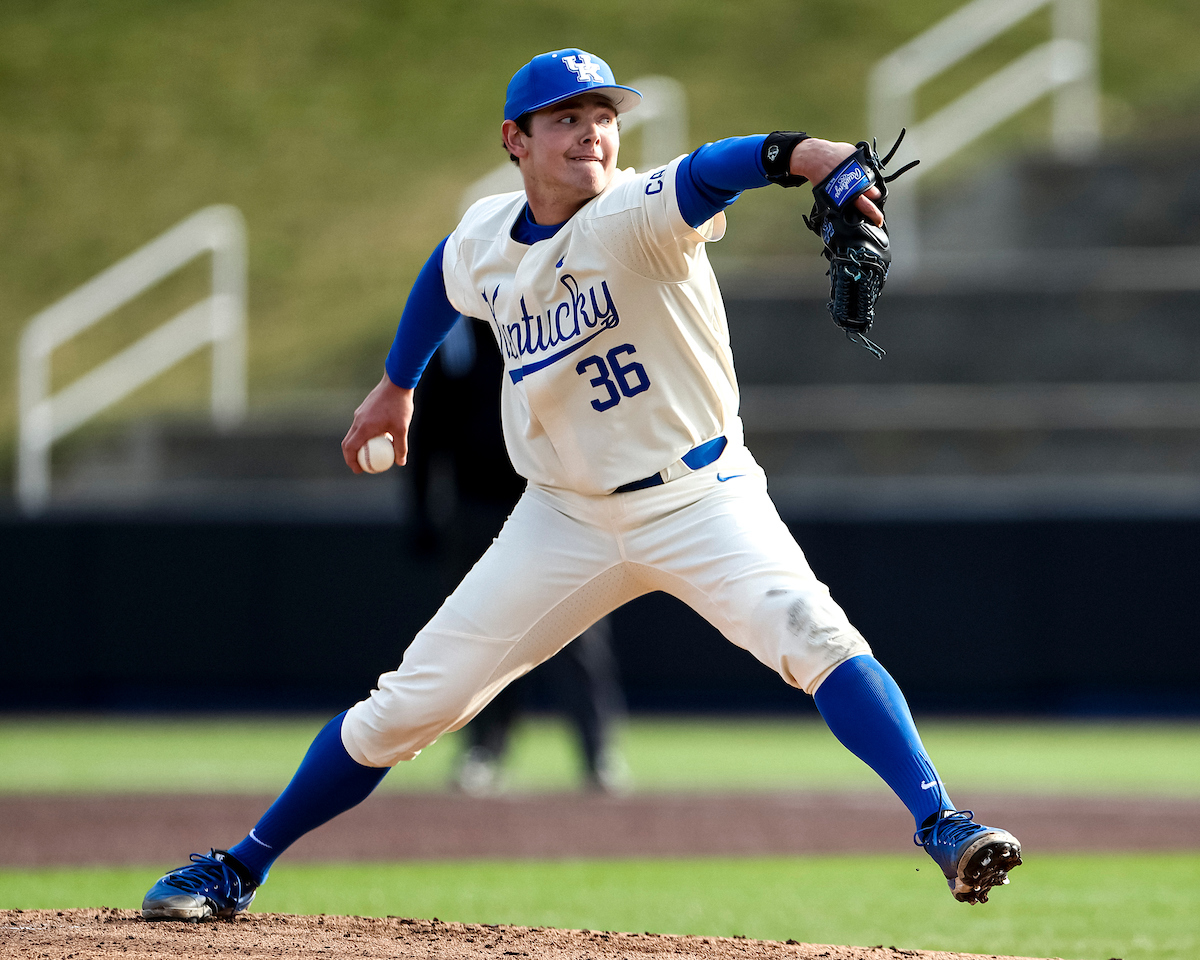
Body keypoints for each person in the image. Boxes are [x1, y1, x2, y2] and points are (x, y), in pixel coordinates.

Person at [140, 48, 1022, 921]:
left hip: (700, 497)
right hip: (562, 516)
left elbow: (711, 170)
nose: (592, 133)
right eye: (567, 118)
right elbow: (445, 272)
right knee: (407, 707)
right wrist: (396, 384)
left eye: (604, 116)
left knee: (815, 636)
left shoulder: (634, 214)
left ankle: (942, 822)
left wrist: (805, 155)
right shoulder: (487, 236)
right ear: (514, 140)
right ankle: (237, 867)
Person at [408, 316, 629, 795]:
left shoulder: (554, 322)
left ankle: (598, 752)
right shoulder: (455, 342)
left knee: (579, 629)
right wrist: (421, 511)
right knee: (481, 636)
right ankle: (484, 749)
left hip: (553, 502)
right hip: (476, 507)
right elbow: (427, 430)